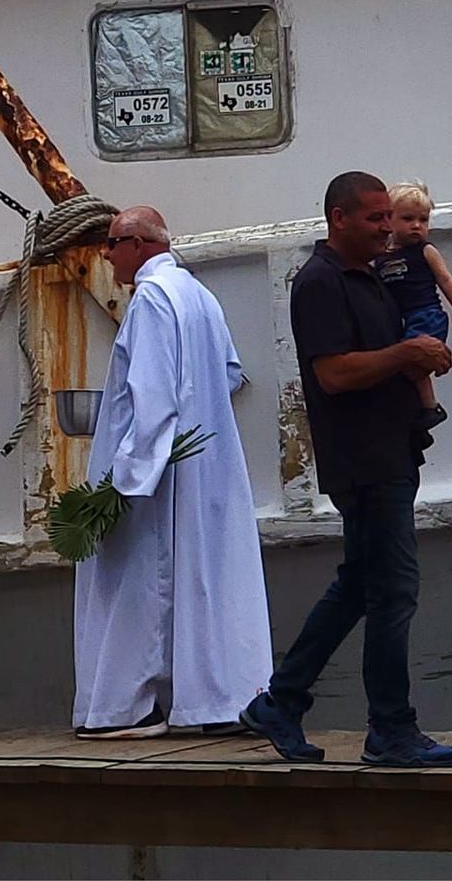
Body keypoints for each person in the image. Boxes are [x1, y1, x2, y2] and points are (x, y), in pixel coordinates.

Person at [240, 171, 452, 766]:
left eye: (390, 218)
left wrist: (422, 351)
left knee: (360, 586)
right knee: (393, 594)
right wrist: (406, 354)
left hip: (389, 450)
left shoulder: (370, 275)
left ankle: (282, 701)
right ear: (339, 218)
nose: (387, 228)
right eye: (375, 219)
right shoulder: (319, 282)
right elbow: (334, 374)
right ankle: (390, 728)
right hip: (363, 460)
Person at [70, 206, 272, 740]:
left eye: (112, 243)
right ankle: (215, 697)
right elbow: (229, 372)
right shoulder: (199, 295)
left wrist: (127, 480)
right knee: (205, 579)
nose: (107, 255)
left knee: (142, 580)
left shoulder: (153, 300)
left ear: (139, 244)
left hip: (162, 469)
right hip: (205, 459)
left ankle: (125, 706)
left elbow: (152, 397)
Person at [374, 182, 452, 428]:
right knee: (401, 362)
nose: (417, 226)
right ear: (389, 220)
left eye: (423, 220)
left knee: (414, 361)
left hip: (426, 314)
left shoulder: (426, 251)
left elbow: (445, 279)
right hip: (401, 317)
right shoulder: (381, 256)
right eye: (407, 218)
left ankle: (430, 407)